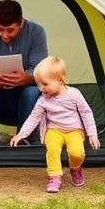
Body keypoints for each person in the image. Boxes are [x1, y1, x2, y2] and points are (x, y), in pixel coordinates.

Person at [10, 56, 100, 193]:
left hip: (74, 130)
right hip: (54, 130)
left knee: (77, 153)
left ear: (60, 80)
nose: (41, 88)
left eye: (44, 84)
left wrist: (92, 134)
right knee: (52, 150)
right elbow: (34, 117)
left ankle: (75, 168)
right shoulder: (43, 100)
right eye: (38, 84)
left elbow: (86, 113)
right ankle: (54, 177)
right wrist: (22, 133)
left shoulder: (74, 95)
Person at [0, 0, 48, 146]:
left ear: (21, 22)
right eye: (0, 29)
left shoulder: (37, 32)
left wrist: (26, 78)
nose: (5, 35)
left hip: (25, 100)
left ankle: (23, 137)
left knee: (32, 90)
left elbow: (40, 70)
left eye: (10, 30)